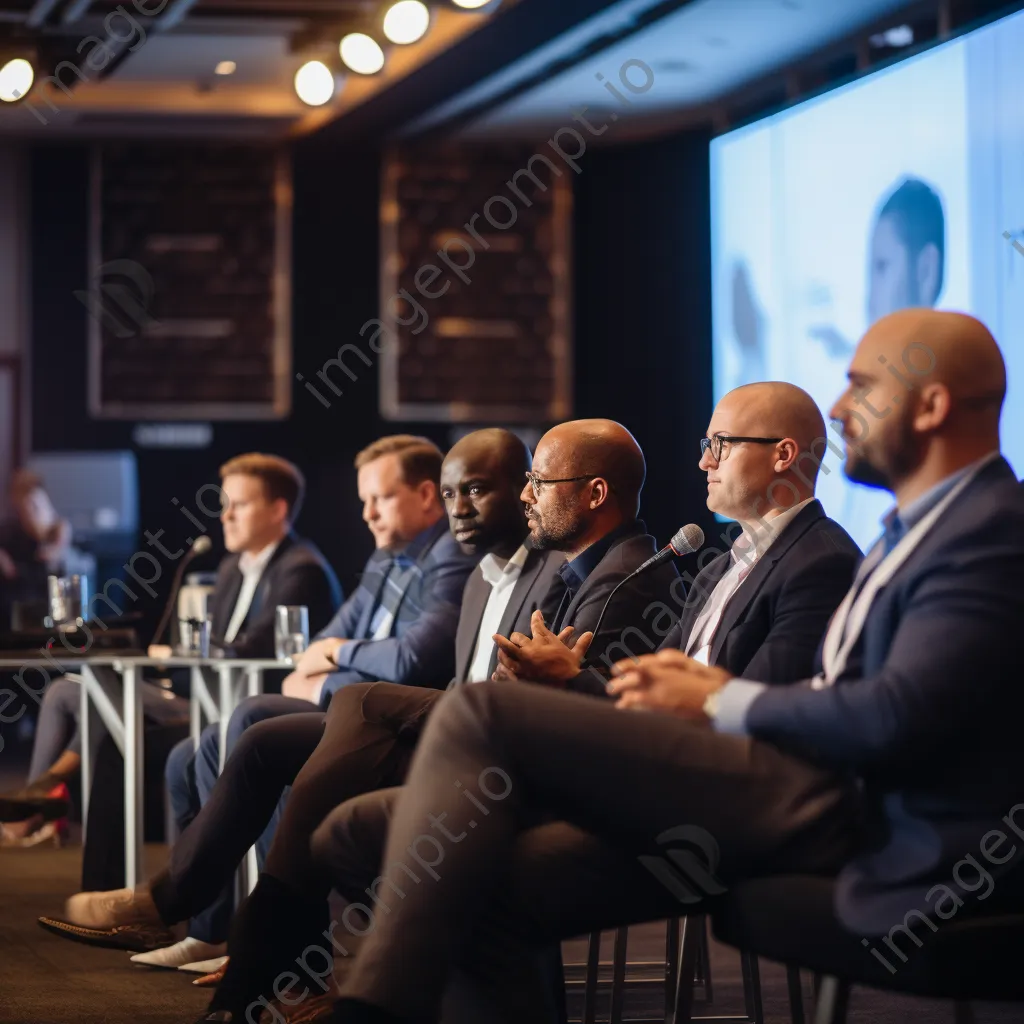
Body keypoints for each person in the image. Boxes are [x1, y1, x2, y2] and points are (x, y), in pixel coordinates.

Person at [311, 309, 1023, 1024]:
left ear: (930, 405)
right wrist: (583, 683)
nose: (839, 409)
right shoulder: (897, 532)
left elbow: (892, 715)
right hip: (788, 782)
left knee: (478, 711)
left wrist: (720, 699)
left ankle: (370, 1011)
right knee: (403, 854)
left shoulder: (985, 532)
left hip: (843, 807)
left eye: (861, 387)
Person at [43, 418, 682, 1018]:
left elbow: (517, 687)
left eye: (535, 484)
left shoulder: (618, 574)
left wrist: (546, 679)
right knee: (271, 738)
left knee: (359, 702)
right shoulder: (529, 570)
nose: (525, 499)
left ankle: (236, 949)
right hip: (484, 731)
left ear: (594, 492)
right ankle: (238, 950)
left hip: (512, 756)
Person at [40, 434, 481, 966]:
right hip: (351, 709)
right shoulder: (385, 559)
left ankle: (249, 937)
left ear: (428, 496)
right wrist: (331, 658)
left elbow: (409, 661)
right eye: (362, 500)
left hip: (396, 728)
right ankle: (210, 931)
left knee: (251, 720)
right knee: (193, 751)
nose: (365, 514)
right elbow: (314, 649)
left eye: (379, 498)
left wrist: (332, 662)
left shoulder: (447, 559)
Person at [0, 454, 340, 848]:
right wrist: (180, 652)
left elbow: (256, 648)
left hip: (243, 704)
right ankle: (41, 797)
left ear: (278, 509)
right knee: (68, 691)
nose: (226, 516)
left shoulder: (301, 569)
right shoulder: (232, 566)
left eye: (240, 505)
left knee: (104, 716)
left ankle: (43, 799)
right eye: (224, 505)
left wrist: (186, 651)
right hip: (195, 692)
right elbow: (213, 643)